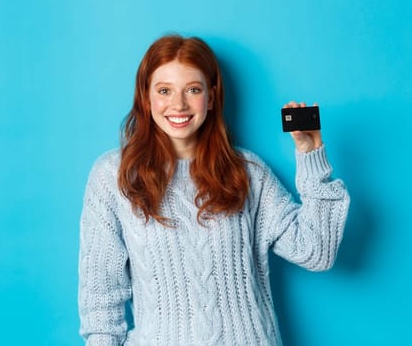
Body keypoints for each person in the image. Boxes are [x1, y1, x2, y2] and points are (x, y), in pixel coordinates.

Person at [77, 34, 350, 346]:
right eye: (164, 90)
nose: (178, 104)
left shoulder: (247, 172)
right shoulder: (114, 176)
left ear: (211, 96)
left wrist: (310, 155)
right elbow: (101, 306)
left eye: (192, 89)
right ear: (146, 96)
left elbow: (317, 252)